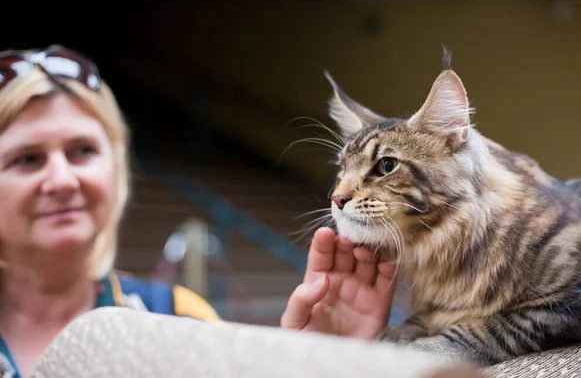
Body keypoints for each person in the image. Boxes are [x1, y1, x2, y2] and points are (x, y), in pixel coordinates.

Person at [0, 45, 396, 377]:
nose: (63, 179)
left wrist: (321, 360)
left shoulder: (176, 317)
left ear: (116, 167)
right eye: (27, 158)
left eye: (83, 151)